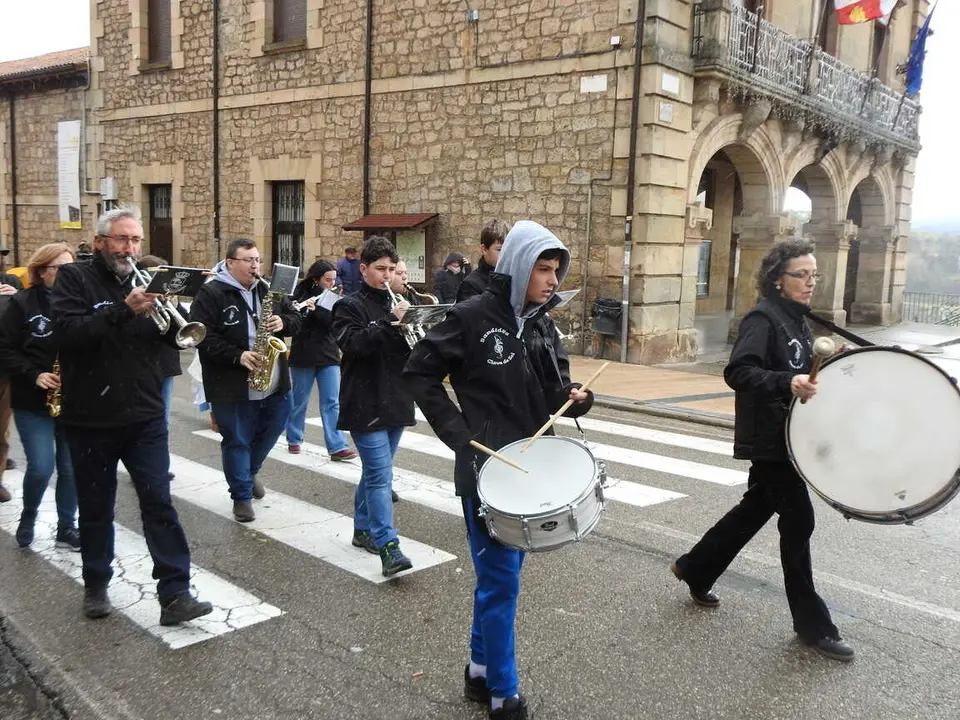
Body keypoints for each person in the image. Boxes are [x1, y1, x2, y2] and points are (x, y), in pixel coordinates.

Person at [404, 220, 595, 719]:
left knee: (499, 578)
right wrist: (455, 429)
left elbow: (556, 389)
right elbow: (419, 371)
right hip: (486, 467)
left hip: (532, 469)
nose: (553, 281)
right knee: (501, 579)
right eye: (543, 269)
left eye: (557, 271)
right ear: (516, 267)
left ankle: (478, 670)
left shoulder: (542, 322)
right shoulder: (470, 316)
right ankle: (502, 693)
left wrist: (577, 401)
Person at [669, 238, 854, 663]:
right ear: (777, 279)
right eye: (801, 275)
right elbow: (739, 371)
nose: (810, 283)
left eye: (814, 275)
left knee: (753, 510)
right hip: (771, 443)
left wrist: (823, 366)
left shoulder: (797, 321)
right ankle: (813, 626)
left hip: (790, 439)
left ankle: (695, 567)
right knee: (799, 522)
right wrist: (785, 383)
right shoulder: (763, 319)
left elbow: (797, 371)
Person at [51, 208, 212, 624]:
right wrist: (125, 309)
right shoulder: (75, 279)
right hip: (91, 417)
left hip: (143, 416)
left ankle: (175, 594)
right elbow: (69, 335)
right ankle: (97, 583)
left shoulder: (146, 282)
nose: (130, 249)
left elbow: (164, 348)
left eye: (136, 241)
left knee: (159, 502)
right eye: (122, 240)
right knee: (96, 506)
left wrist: (167, 320)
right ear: (101, 241)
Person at [189, 239, 301, 523]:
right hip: (231, 379)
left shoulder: (269, 289)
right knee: (237, 437)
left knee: (277, 423)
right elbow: (202, 336)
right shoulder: (211, 293)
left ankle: (248, 473)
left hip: (273, 375)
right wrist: (237, 355)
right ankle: (241, 495)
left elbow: (296, 317)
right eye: (248, 260)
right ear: (230, 262)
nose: (255, 266)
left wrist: (283, 322)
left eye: (258, 260)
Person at [332, 235, 415, 577]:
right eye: (380, 269)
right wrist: (390, 323)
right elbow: (351, 344)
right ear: (363, 268)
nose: (386, 275)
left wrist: (416, 328)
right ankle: (388, 545)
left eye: (391, 269)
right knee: (382, 475)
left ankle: (361, 529)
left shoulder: (399, 303)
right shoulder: (347, 306)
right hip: (365, 401)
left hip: (396, 397)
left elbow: (409, 352)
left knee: (374, 472)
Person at [0, 243, 79, 549]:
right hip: (33, 400)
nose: (67, 275)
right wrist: (34, 374)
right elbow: (5, 348)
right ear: (42, 271)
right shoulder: (21, 303)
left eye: (72, 269)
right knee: (42, 467)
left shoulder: (79, 303)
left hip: (74, 400)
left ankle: (66, 527)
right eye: (61, 269)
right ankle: (29, 515)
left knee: (71, 468)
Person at [286, 259, 357, 461]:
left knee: (332, 402)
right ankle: (294, 438)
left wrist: (318, 311)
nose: (331, 284)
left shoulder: (335, 296)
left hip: (328, 354)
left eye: (334, 279)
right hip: (303, 354)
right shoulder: (298, 295)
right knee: (300, 400)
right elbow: (293, 325)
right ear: (316, 280)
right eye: (327, 280)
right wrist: (303, 310)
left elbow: (334, 324)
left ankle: (337, 447)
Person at [138, 255, 183, 481]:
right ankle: (143, 464)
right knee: (142, 420)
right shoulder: (135, 298)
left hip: (165, 365)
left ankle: (159, 465)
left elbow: (186, 330)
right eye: (157, 275)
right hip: (142, 367)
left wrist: (173, 305)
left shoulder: (168, 298)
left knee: (162, 419)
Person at [0, 245, 24, 502]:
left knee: (2, 427)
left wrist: (17, 295)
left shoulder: (12, 281)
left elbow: (29, 311)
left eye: (2, 256)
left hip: (4, 367)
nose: (1, 261)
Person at [457, 220, 508, 301]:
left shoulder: (513, 279)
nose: (505, 254)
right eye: (500, 249)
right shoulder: (471, 285)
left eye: (509, 249)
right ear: (484, 249)